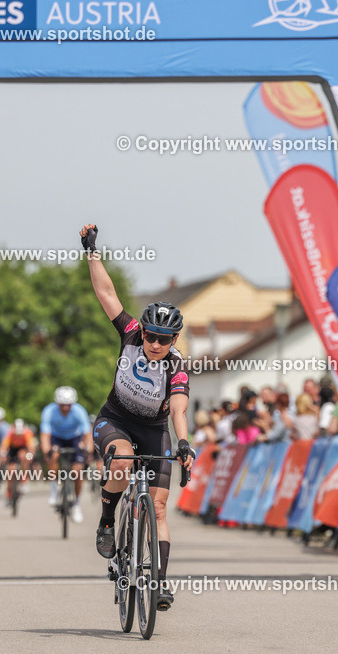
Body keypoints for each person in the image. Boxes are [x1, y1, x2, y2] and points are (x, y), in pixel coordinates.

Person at [80, 223, 194, 612]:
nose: (156, 344)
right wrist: (92, 251)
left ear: (174, 341)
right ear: (142, 332)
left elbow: (178, 408)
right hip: (115, 419)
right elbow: (106, 293)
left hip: (154, 430)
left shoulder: (176, 366)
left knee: (159, 507)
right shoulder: (129, 333)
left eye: (164, 339)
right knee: (124, 461)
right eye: (151, 336)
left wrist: (183, 444)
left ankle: (159, 584)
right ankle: (108, 520)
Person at [40, 385, 93, 523]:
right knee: (54, 455)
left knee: (77, 471)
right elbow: (45, 435)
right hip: (56, 438)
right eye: (62, 405)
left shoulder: (79, 411)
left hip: (74, 438)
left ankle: (76, 503)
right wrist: (47, 451)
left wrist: (88, 450)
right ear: (57, 403)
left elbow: (87, 435)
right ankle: (53, 489)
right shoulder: (49, 411)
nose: (65, 408)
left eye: (68, 405)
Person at [0, 418, 36, 504]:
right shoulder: (10, 433)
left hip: (23, 448)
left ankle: (24, 478)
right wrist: (3, 455)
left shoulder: (28, 433)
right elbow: (4, 446)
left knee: (24, 456)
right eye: (17, 434)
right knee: (10, 471)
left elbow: (31, 448)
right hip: (12, 449)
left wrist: (30, 456)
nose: (18, 435)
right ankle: (8, 491)